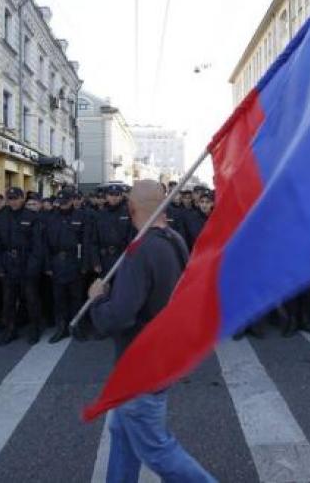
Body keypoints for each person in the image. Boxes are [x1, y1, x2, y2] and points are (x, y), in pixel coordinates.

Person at [88, 180, 216, 483]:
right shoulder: (174, 239)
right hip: (158, 356)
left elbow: (117, 317)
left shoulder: (141, 251)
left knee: (158, 450)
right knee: (121, 431)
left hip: (141, 364)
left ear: (131, 208)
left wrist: (98, 300)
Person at [0, 187, 47, 345]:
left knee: (31, 299)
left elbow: (38, 246)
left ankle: (35, 329)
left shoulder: (32, 217)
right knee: (8, 301)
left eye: (16, 198)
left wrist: (32, 267)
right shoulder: (0, 217)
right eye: (10, 198)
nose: (13, 201)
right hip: (8, 264)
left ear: (22, 198)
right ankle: (10, 330)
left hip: (26, 262)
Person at [46, 190, 88, 343]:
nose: (63, 204)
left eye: (66, 201)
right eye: (61, 202)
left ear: (72, 201)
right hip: (57, 261)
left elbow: (86, 241)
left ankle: (76, 326)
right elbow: (45, 244)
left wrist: (84, 264)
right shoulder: (51, 217)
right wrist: (47, 265)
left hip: (74, 261)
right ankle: (61, 328)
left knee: (76, 297)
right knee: (59, 298)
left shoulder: (81, 216)